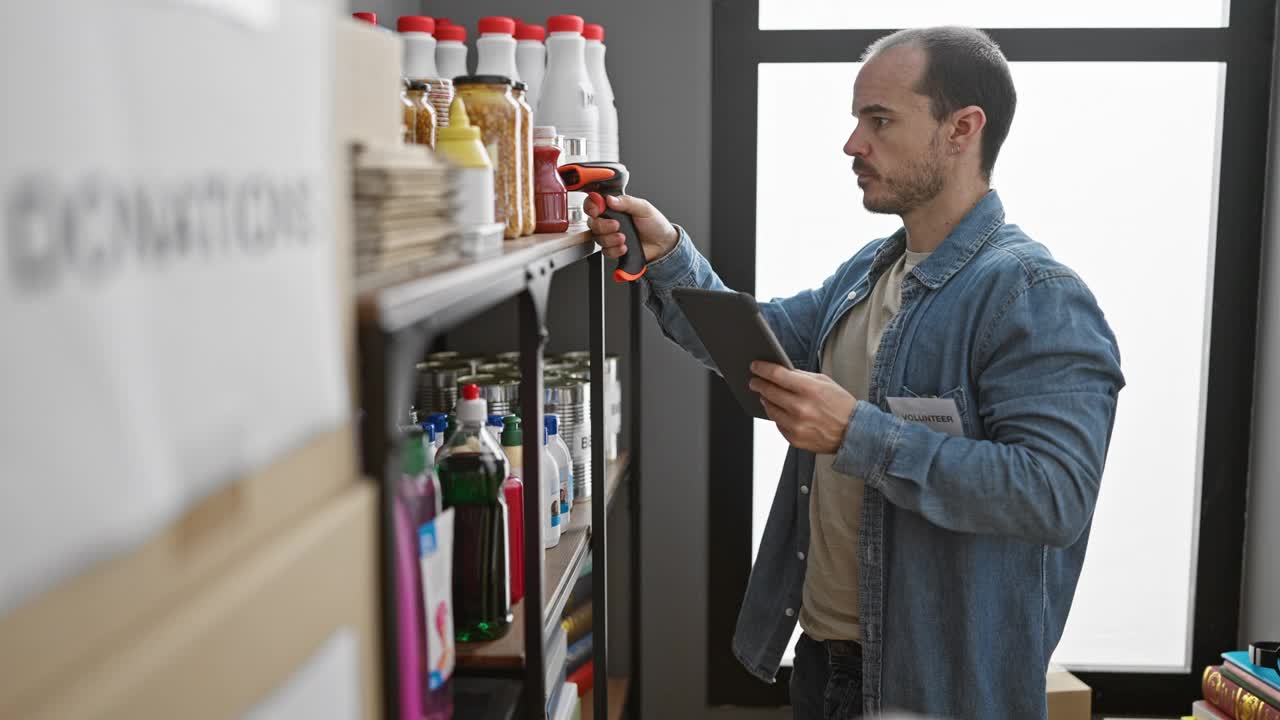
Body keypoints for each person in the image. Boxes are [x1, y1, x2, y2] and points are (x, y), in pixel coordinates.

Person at [584, 25, 1124, 720]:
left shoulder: (1033, 293)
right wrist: (666, 252)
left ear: (962, 129)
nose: (852, 145)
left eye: (880, 120)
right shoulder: (872, 272)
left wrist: (857, 435)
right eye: (856, 120)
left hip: (935, 689)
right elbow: (759, 348)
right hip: (824, 666)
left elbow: (1054, 496)